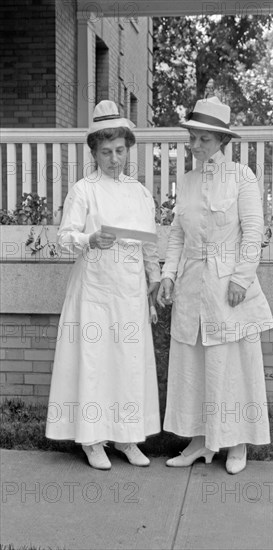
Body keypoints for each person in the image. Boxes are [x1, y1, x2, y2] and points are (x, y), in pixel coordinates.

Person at [158, 96, 273, 474]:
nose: (194, 145)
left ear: (222, 142)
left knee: (231, 366)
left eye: (203, 139)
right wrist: (168, 275)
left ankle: (236, 442)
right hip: (192, 286)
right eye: (192, 137)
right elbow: (177, 234)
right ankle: (197, 441)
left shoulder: (242, 177)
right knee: (193, 365)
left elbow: (253, 232)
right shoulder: (188, 181)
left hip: (228, 288)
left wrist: (241, 278)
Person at [46, 100, 161, 469]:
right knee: (95, 361)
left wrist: (155, 281)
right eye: (106, 152)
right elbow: (63, 238)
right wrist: (89, 239)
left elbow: (148, 245)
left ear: (128, 149)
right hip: (94, 289)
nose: (114, 159)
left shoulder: (140, 192)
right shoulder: (84, 190)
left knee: (127, 362)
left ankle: (127, 437)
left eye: (120, 151)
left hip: (129, 292)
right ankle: (93, 439)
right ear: (94, 152)